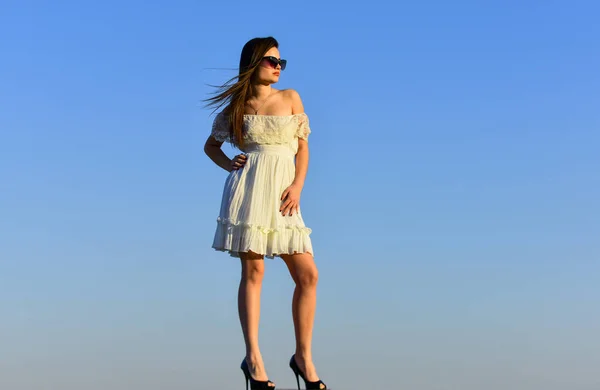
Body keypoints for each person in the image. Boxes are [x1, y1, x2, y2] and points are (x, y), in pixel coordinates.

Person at [203, 37, 327, 390]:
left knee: (308, 275)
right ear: (253, 63)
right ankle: (253, 359)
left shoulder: (290, 98)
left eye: (280, 62)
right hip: (248, 190)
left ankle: (303, 356)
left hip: (284, 194)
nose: (278, 67)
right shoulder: (236, 108)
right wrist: (230, 164)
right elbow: (210, 145)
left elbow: (302, 149)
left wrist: (298, 186)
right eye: (272, 60)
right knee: (253, 271)